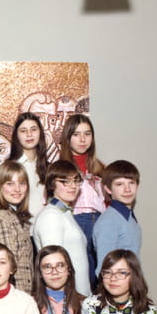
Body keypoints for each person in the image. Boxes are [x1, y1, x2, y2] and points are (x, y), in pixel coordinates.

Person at [59, 114, 106, 286]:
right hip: (77, 220)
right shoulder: (60, 168)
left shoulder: (100, 167)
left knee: (103, 272)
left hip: (100, 221)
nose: (82, 139)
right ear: (68, 137)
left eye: (87, 134)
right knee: (82, 274)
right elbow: (51, 200)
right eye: (76, 134)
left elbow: (107, 201)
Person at [32, 160, 90, 295]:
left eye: (76, 181)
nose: (73, 186)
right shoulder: (51, 215)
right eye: (65, 181)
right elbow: (54, 267)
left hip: (79, 296)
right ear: (52, 184)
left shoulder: (64, 212)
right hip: (67, 298)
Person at [0, 160, 33, 293]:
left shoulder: (18, 218)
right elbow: (1, 271)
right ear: (0, 186)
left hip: (24, 296)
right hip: (10, 298)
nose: (17, 189)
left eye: (22, 183)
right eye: (10, 184)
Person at [92, 160, 142, 274]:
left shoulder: (128, 216)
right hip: (118, 283)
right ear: (108, 189)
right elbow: (104, 269)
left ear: (137, 185)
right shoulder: (108, 221)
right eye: (119, 184)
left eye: (131, 183)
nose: (127, 189)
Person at [8, 112, 49, 219]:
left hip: (46, 225)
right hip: (21, 225)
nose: (29, 134)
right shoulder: (10, 167)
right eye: (23, 131)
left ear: (40, 133)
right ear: (16, 135)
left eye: (33, 129)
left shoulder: (49, 167)